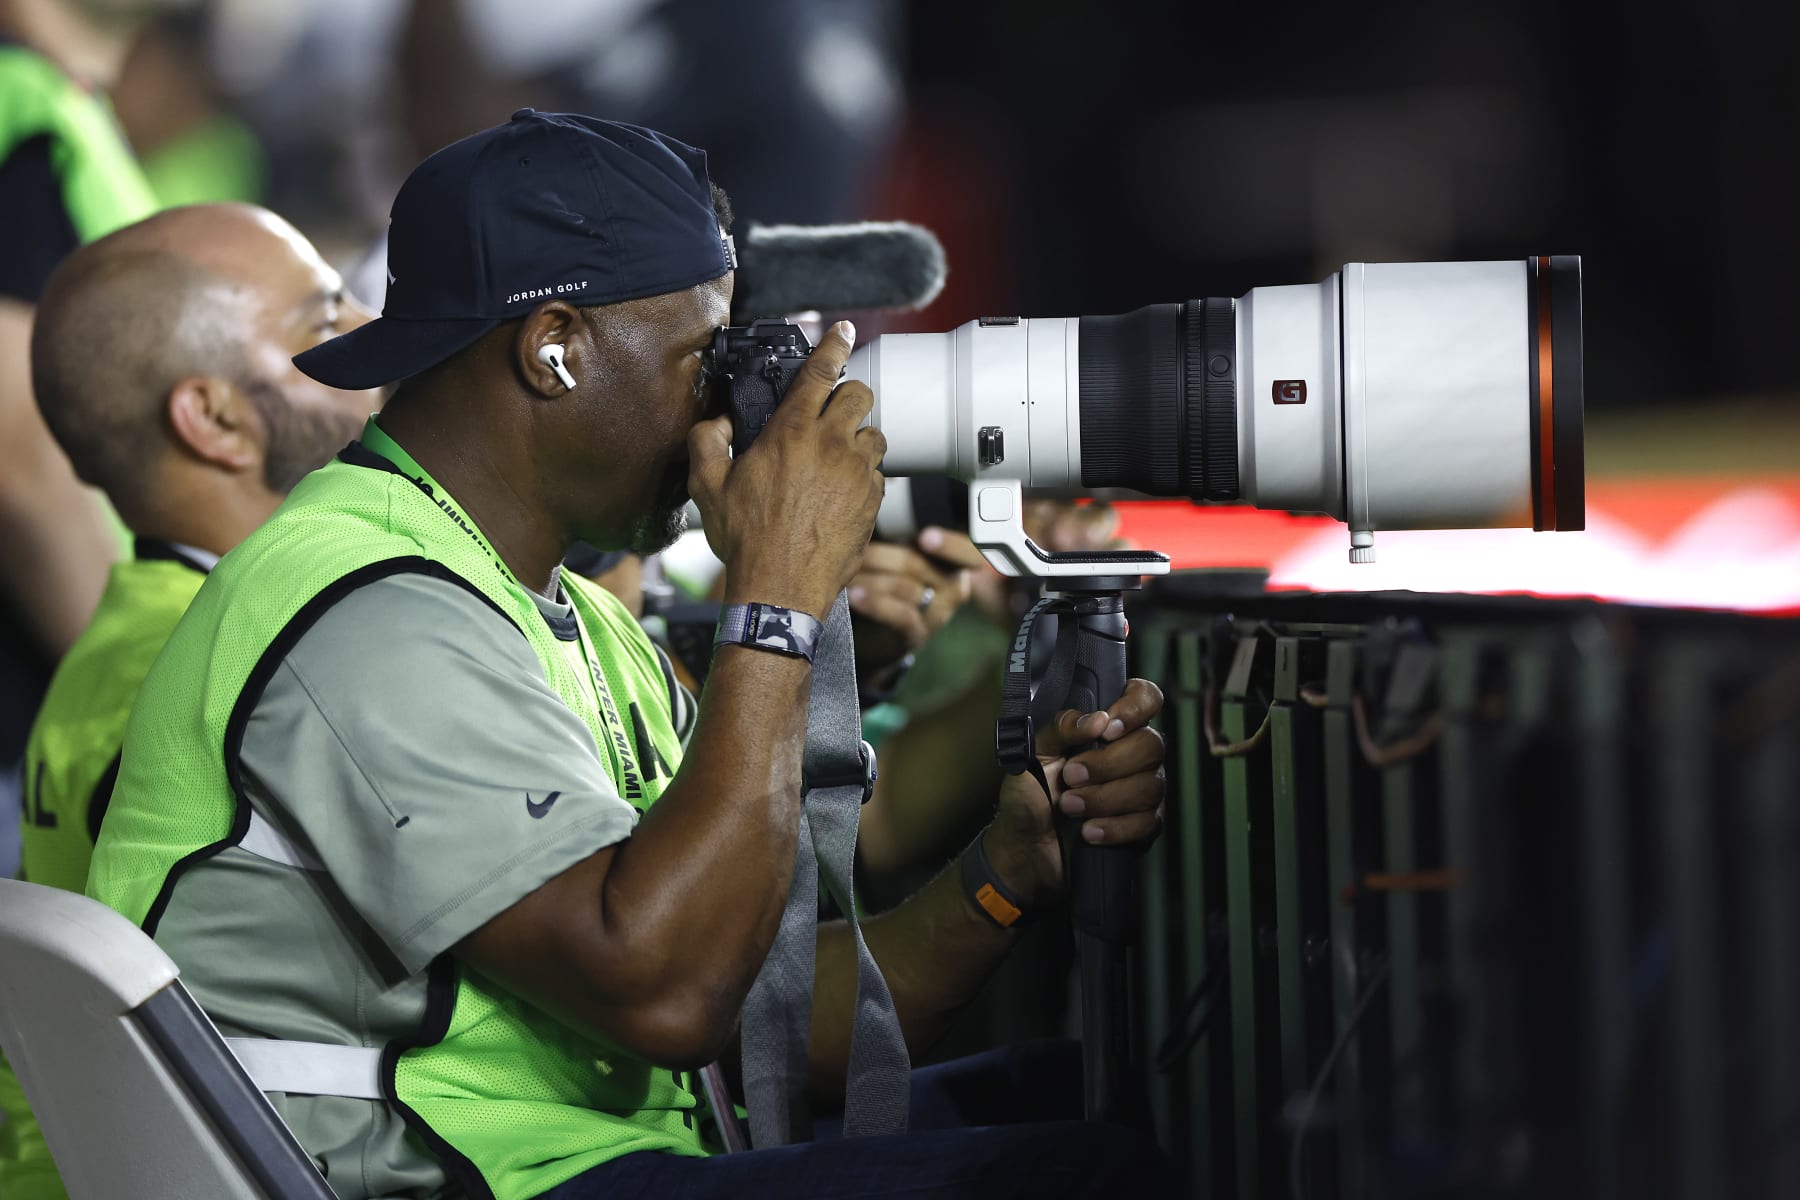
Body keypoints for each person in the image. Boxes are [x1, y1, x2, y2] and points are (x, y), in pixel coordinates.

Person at [89, 112, 1171, 1199]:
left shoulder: (558, 613)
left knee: (1113, 1099)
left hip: (587, 1159)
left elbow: (762, 1017)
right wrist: (777, 598)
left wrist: (1005, 875)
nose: (719, 421)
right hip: (428, 1183)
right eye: (700, 362)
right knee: (1084, 1175)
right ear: (553, 347)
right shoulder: (364, 605)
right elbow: (667, 996)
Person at [0, 202, 379, 1199]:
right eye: (323, 322)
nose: (373, 332)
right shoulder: (222, 660)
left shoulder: (146, 623)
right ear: (210, 418)